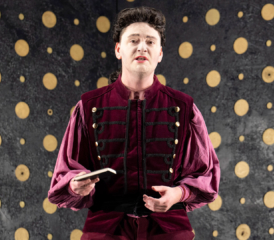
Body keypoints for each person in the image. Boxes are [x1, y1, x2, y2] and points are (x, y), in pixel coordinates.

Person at [47, 6, 220, 240]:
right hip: (106, 230)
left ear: (160, 53)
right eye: (133, 40)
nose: (142, 47)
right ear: (118, 49)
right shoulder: (87, 107)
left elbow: (206, 174)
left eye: (150, 41)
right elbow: (65, 173)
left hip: (168, 230)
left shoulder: (185, 108)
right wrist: (74, 184)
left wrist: (178, 194)